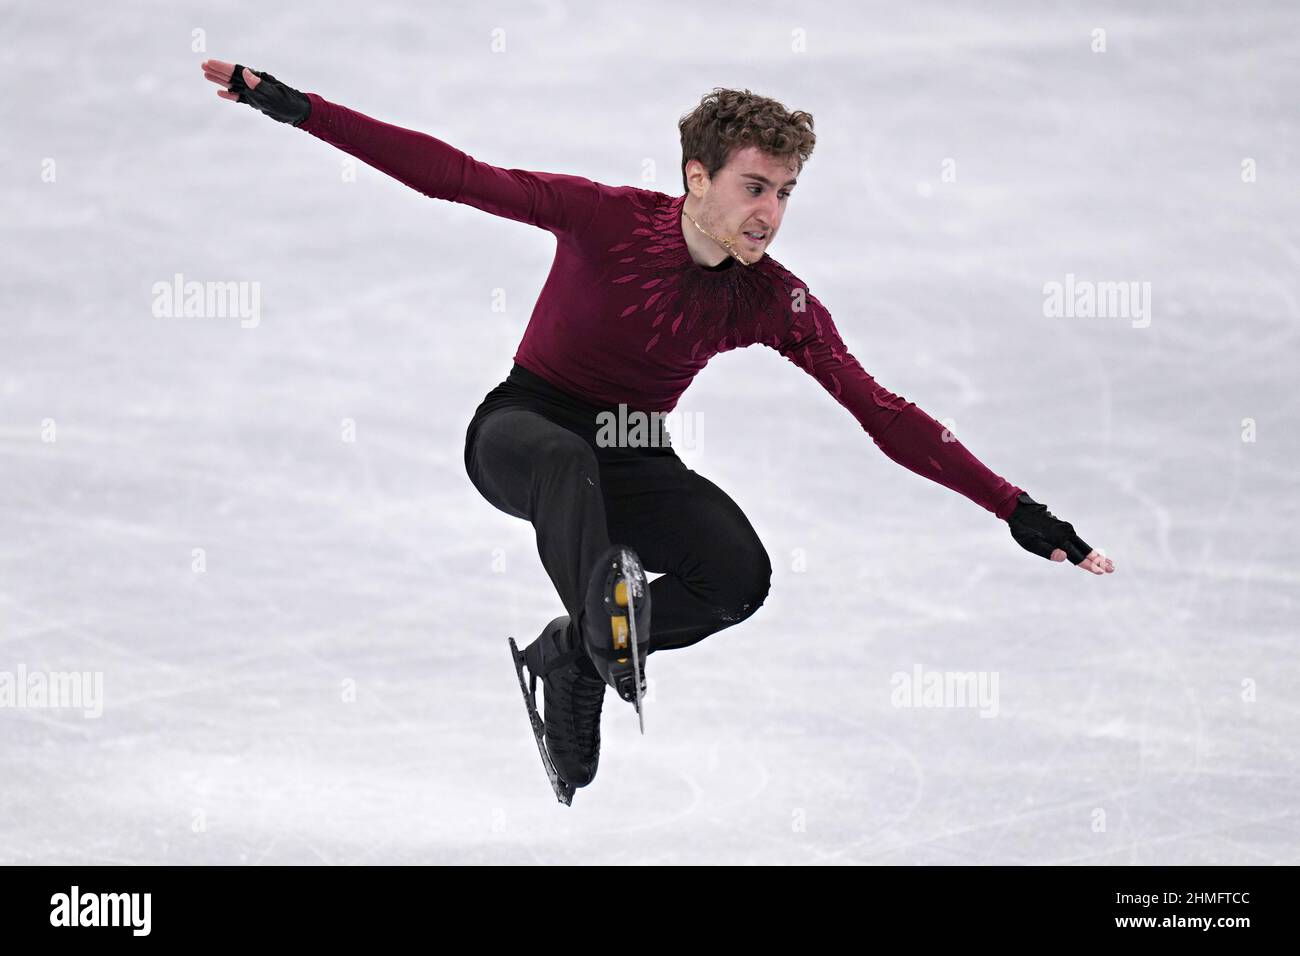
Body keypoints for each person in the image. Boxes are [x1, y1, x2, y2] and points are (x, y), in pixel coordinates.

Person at [200, 60, 1117, 798]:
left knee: (740, 577)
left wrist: (1014, 506)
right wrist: (296, 108)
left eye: (786, 192)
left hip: (633, 450)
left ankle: (575, 654)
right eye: (755, 186)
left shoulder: (773, 300)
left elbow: (880, 411)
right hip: (521, 428)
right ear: (697, 177)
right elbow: (455, 178)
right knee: (566, 464)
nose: (771, 212)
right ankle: (605, 625)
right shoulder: (605, 220)